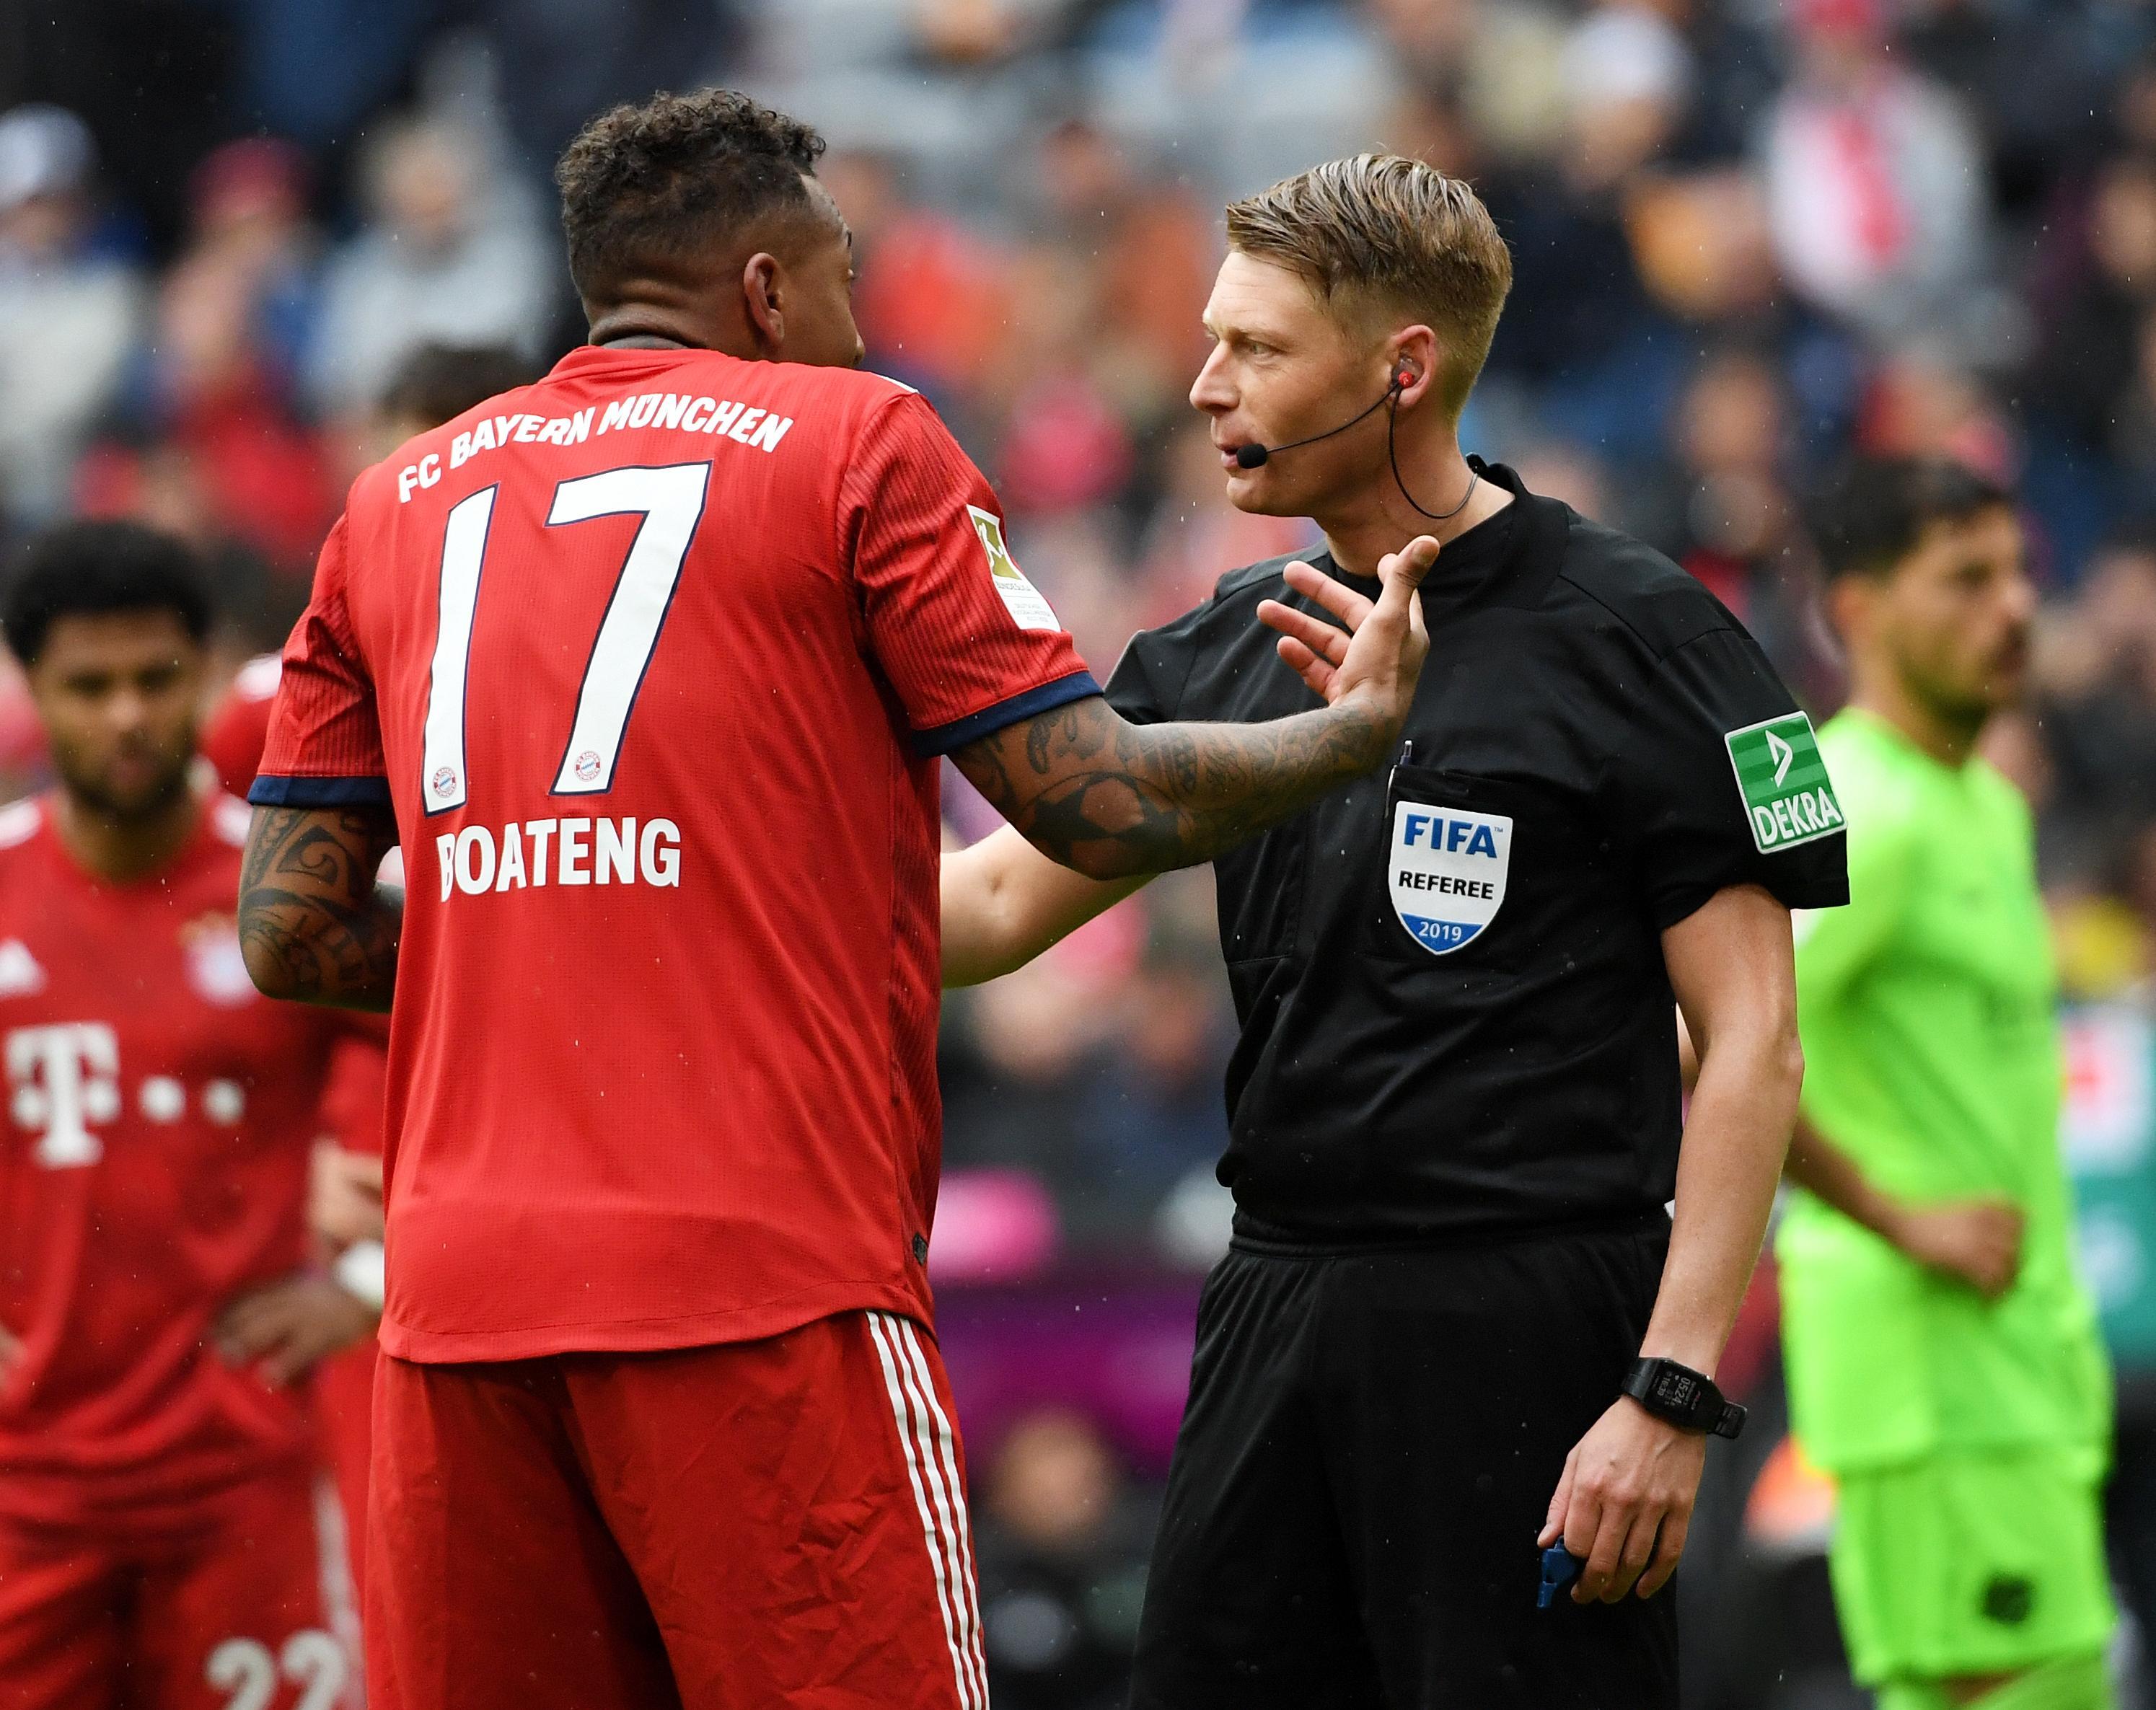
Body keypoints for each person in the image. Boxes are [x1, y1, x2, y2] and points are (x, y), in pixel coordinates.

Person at [235, 89, 1435, 1710]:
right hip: (760, 1287)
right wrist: (1347, 736)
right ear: (765, 291)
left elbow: (290, 931)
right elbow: (1085, 793)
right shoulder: (857, 438)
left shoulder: (390, 506)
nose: (866, 315)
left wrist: (528, 931)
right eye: (843, 267)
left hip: (460, 1321)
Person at [940, 152, 1849, 1706]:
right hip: (1277, 1305)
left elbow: (1753, 1039)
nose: (1205, 382)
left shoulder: (1641, 638)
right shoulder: (1220, 649)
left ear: (1402, 367)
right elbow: (999, 901)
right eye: (1215, 337)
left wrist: (1672, 1390)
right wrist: (694, 896)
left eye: (1259, 349)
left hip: (1540, 1323)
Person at [0, 521, 378, 1709]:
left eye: (156, 680)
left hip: (244, 1491)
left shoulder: (292, 905)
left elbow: (501, 1068)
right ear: (34, 692)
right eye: (89, 686)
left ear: (210, 674)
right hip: (23, 1500)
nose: (125, 717)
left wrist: (370, 1280)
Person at [1778, 458, 2115, 1710]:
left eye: (2019, 572)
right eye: (1966, 580)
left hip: (2013, 1368)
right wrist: (1893, 1214)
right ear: (1857, 609)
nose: (2015, 606)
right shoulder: (1849, 800)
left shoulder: (1980, 797)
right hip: (1932, 1384)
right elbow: (1708, 1041)